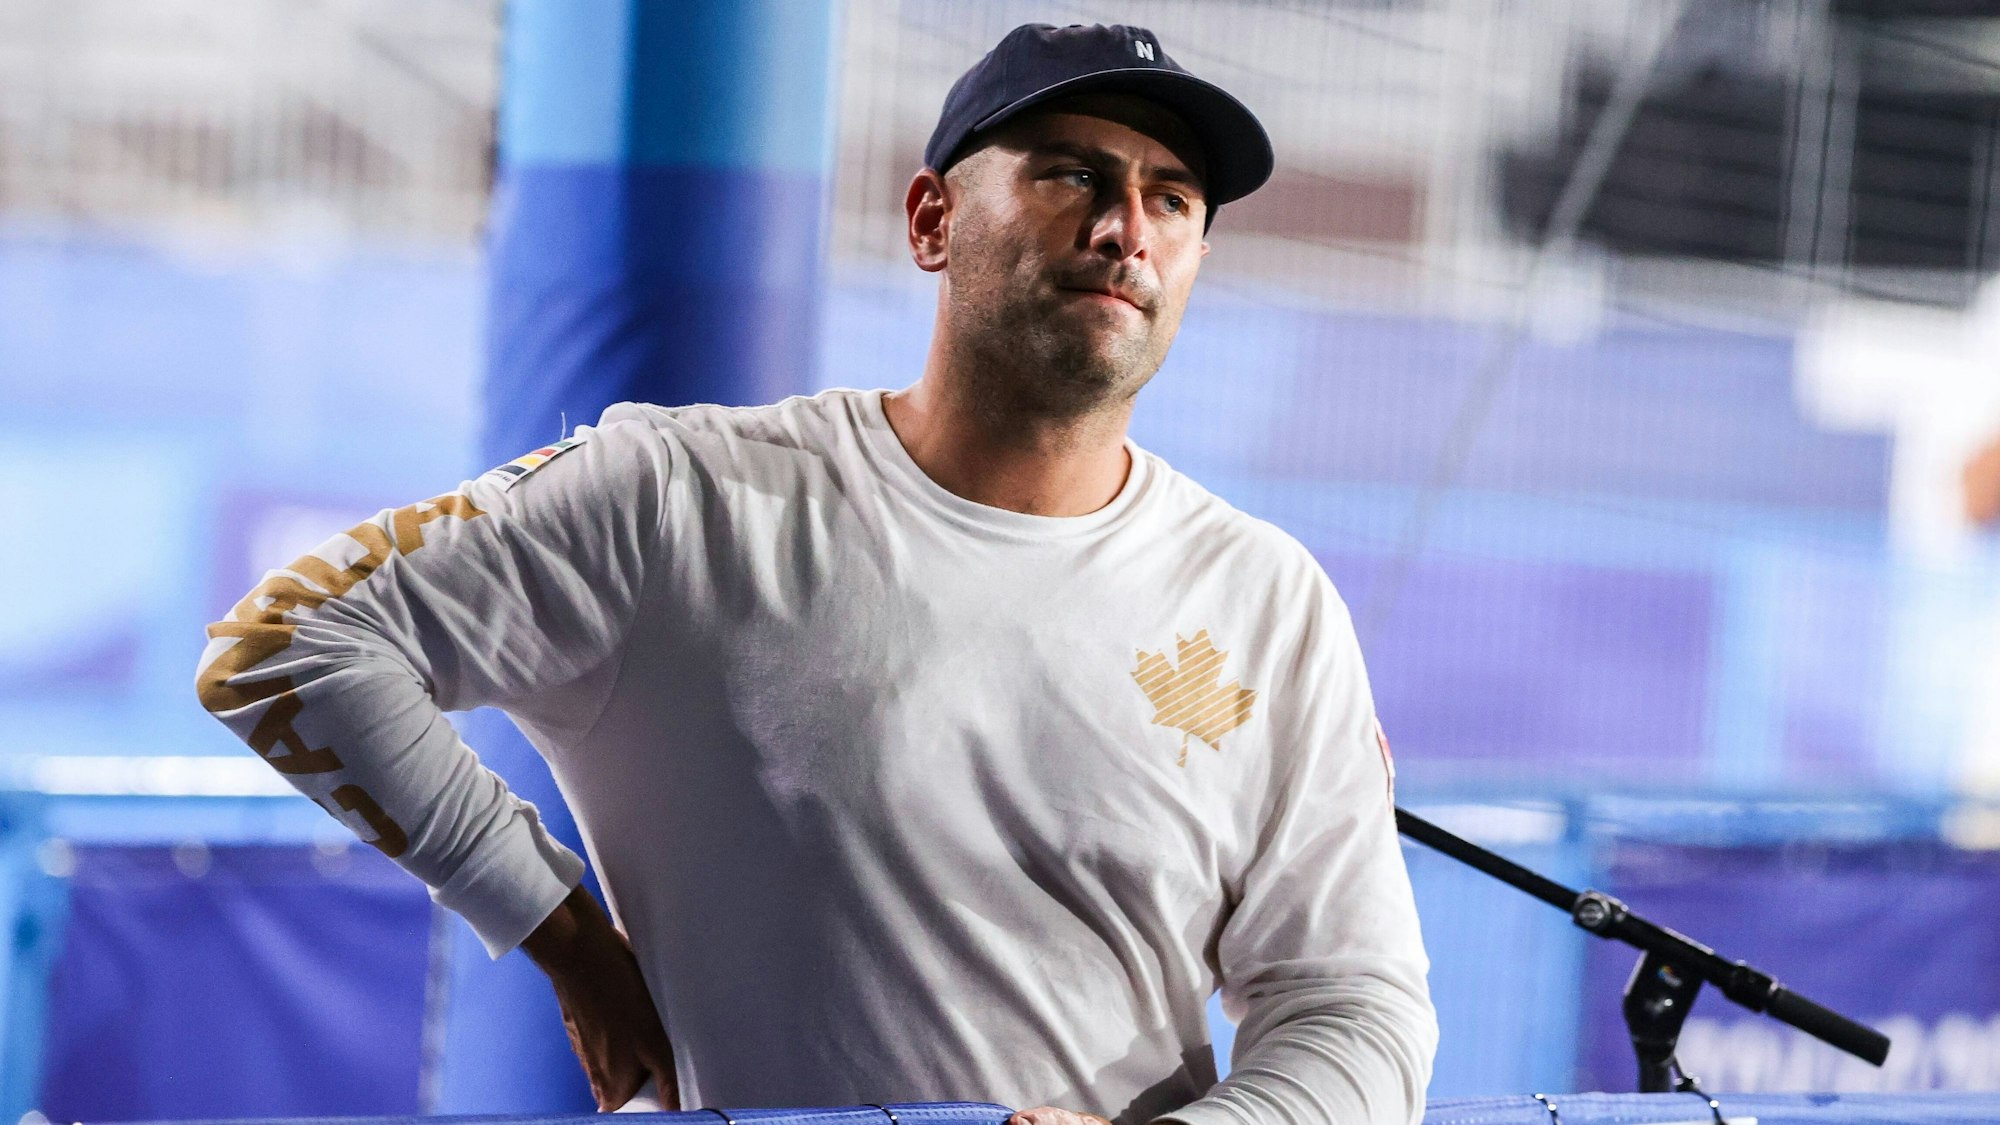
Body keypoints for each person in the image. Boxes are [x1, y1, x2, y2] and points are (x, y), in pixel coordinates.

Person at [195, 22, 1437, 1125]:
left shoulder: (1267, 599)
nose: (1125, 229)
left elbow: (1357, 1012)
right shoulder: (680, 499)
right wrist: (563, 931)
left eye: (1172, 200)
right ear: (931, 222)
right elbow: (283, 645)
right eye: (1071, 173)